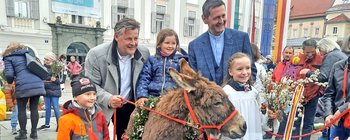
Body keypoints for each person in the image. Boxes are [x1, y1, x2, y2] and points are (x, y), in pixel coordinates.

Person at [84, 18, 150, 140]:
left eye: (136, 38)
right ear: (116, 36)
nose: (133, 43)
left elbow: (147, 79)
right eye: (129, 38)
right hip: (102, 105)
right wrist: (108, 98)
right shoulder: (96, 55)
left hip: (128, 105)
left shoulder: (144, 53)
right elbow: (90, 86)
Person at [188, 0, 256, 85]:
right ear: (204, 19)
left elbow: (252, 71)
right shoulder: (194, 46)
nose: (221, 21)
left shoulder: (241, 39)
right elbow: (193, 79)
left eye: (223, 16)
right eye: (216, 18)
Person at [277, 39, 324, 140]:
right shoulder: (296, 58)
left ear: (316, 49)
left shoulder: (321, 59)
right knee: (295, 120)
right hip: (298, 94)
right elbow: (290, 74)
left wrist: (320, 91)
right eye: (307, 52)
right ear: (303, 50)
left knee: (309, 122)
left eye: (312, 52)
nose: (310, 55)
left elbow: (323, 76)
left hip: (313, 95)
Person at [3, 42, 46, 139]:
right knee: (34, 108)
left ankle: (23, 134)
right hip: (37, 84)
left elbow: (9, 75)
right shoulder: (29, 54)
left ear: (9, 50)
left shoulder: (8, 58)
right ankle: (34, 133)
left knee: (22, 109)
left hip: (23, 85)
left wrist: (10, 81)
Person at [136, 28, 187, 103]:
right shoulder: (152, 60)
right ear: (159, 44)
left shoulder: (180, 61)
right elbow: (144, 78)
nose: (170, 46)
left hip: (172, 99)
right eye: (167, 43)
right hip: (153, 98)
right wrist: (142, 96)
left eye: (173, 43)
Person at [221, 52, 263, 140]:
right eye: (239, 69)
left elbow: (259, 118)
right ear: (230, 72)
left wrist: (269, 115)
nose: (244, 72)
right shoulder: (227, 93)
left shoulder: (254, 92)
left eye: (248, 68)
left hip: (252, 134)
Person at [323, 56, 350, 140]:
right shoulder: (338, 66)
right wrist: (328, 114)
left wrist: (342, 109)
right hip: (337, 122)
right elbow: (329, 94)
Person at [38, 52, 62, 131]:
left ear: (52, 60)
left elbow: (61, 80)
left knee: (56, 108)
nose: (45, 61)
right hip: (46, 90)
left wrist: (55, 80)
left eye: (47, 59)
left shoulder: (57, 68)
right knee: (47, 108)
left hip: (54, 91)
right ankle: (47, 124)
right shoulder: (43, 67)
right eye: (45, 59)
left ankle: (59, 125)